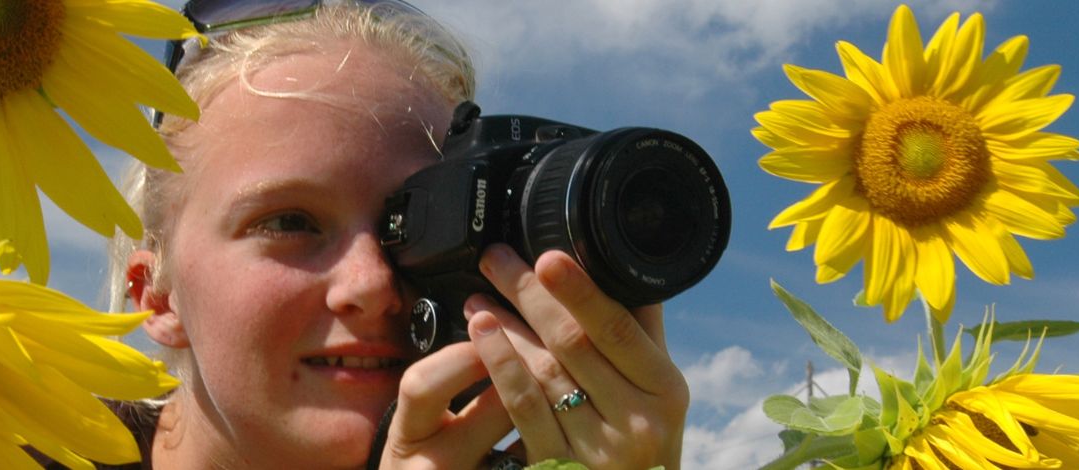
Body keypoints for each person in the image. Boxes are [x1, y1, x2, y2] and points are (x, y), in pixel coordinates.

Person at [101, 1, 688, 468]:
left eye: (409, 220)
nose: (373, 283)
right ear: (155, 294)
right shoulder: (17, 441)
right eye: (289, 222)